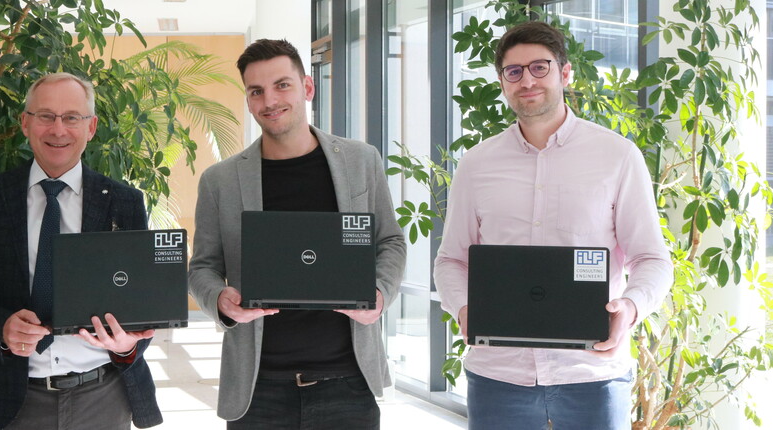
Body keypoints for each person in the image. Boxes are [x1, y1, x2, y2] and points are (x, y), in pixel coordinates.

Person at [433, 21, 673, 430]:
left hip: (592, 375)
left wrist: (630, 308)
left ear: (564, 73)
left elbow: (652, 258)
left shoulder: (617, 156)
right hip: (498, 377)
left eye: (539, 67)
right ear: (503, 82)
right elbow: (451, 259)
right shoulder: (477, 164)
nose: (527, 80)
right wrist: (464, 308)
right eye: (514, 71)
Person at [188, 39, 406, 429]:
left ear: (307, 87)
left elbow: (389, 241)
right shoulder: (219, 181)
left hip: (347, 381)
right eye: (256, 91)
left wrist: (381, 293)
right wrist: (221, 300)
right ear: (249, 100)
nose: (269, 100)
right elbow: (202, 267)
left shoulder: (361, 160)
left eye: (281, 85)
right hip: (258, 389)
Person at [0, 72, 161, 430]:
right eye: (45, 116)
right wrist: (1, 328)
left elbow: (140, 307)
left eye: (71, 117)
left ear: (90, 128)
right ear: (26, 124)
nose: (58, 130)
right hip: (13, 399)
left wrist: (125, 346)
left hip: (103, 397)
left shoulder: (124, 202)